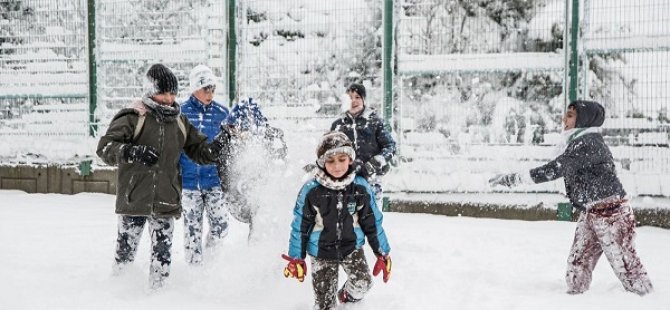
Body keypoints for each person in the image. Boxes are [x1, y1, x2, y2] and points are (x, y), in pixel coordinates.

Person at [489, 100, 653, 296]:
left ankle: (646, 298)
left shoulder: (589, 143)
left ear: (583, 120)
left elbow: (553, 170)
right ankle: (574, 299)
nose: (564, 119)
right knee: (579, 260)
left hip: (611, 213)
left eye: (570, 115)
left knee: (626, 264)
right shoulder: (579, 142)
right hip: (592, 210)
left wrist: (512, 179)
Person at [96, 63, 229, 289]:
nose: (168, 98)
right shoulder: (133, 117)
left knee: (162, 258)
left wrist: (217, 146)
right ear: (150, 91)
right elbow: (105, 148)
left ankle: (159, 297)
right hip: (134, 199)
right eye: (163, 92)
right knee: (125, 255)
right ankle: (117, 294)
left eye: (172, 93)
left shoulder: (179, 121)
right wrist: (131, 151)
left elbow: (199, 151)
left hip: (166, 200)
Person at [283, 131, 392, 309]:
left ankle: (347, 299)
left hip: (352, 247)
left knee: (363, 283)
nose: (337, 166)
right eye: (330, 160)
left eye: (342, 159)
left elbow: (373, 223)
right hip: (321, 252)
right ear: (321, 162)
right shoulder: (312, 191)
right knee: (325, 305)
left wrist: (382, 252)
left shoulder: (360, 187)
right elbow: (300, 226)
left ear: (350, 159)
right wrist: (296, 258)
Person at [179, 65, 230, 265]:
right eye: (205, 88)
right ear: (194, 89)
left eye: (212, 88)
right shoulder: (180, 113)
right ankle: (194, 270)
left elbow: (228, 148)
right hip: (189, 183)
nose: (209, 93)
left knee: (221, 225)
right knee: (192, 229)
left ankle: (211, 261)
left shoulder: (222, 113)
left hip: (214, 182)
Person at [217, 97, 287, 242]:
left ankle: (258, 247)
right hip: (235, 195)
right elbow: (223, 171)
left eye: (243, 129)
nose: (239, 133)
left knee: (260, 214)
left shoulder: (270, 139)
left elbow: (280, 164)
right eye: (235, 128)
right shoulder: (226, 140)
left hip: (262, 192)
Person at [331, 83, 396, 210]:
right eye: (350, 97)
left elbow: (390, 146)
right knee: (349, 219)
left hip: (372, 179)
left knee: (372, 216)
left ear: (363, 100)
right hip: (347, 180)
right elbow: (330, 151)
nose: (353, 101)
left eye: (357, 97)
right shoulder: (338, 126)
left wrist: (376, 162)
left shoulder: (375, 122)